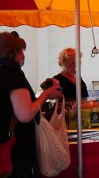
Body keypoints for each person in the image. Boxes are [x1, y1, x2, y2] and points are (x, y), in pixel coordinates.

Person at [0, 31, 63, 178]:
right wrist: (47, 94)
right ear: (14, 51)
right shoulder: (12, 73)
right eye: (22, 51)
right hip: (15, 149)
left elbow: (17, 104)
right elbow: (25, 114)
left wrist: (42, 92)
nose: (24, 56)